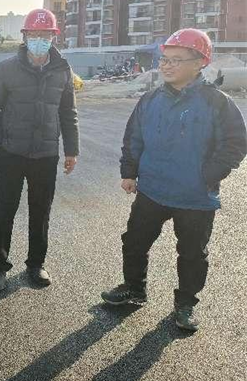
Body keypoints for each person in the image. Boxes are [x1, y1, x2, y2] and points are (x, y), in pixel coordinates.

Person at [101, 28, 246, 332]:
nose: (166, 66)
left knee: (192, 254)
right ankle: (134, 289)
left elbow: (235, 143)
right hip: (152, 190)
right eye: (164, 59)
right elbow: (134, 137)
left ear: (200, 62)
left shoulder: (217, 102)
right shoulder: (150, 99)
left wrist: (208, 175)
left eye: (176, 60)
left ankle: (185, 305)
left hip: (195, 197)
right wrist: (129, 172)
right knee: (134, 241)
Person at [0, 8, 79, 290]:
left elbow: (68, 113)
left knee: (40, 212)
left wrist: (71, 150)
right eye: (34, 34)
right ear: (25, 36)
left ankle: (36, 265)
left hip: (46, 154)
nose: (39, 40)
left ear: (53, 37)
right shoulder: (6, 69)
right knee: (5, 210)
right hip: (11, 153)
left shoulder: (63, 70)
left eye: (45, 35)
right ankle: (0, 266)